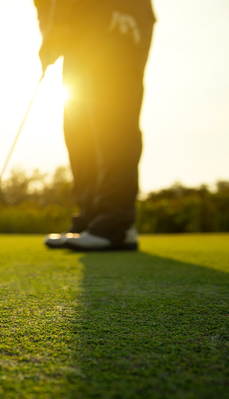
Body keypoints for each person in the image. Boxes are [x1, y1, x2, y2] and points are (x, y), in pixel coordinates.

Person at [35, 0, 155, 251]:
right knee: (77, 123)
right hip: (78, 29)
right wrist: (50, 33)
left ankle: (116, 222)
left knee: (112, 111)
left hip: (117, 11)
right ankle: (91, 217)